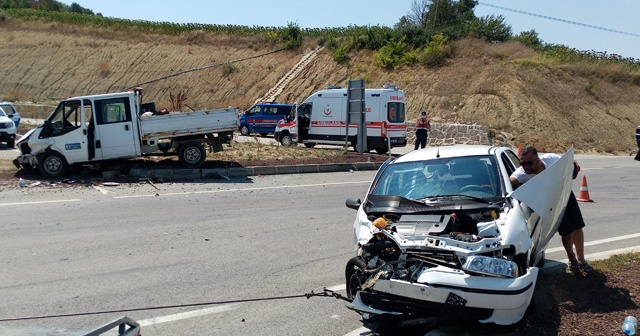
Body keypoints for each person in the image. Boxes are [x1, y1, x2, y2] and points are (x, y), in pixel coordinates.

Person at [509, 145, 593, 272]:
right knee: (567, 230)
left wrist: (574, 167)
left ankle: (582, 260)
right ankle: (572, 258)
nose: (526, 167)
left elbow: (568, 165)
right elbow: (510, 181)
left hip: (564, 193)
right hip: (550, 203)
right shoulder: (521, 173)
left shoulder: (551, 159)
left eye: (529, 163)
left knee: (578, 226)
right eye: (522, 163)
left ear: (538, 159)